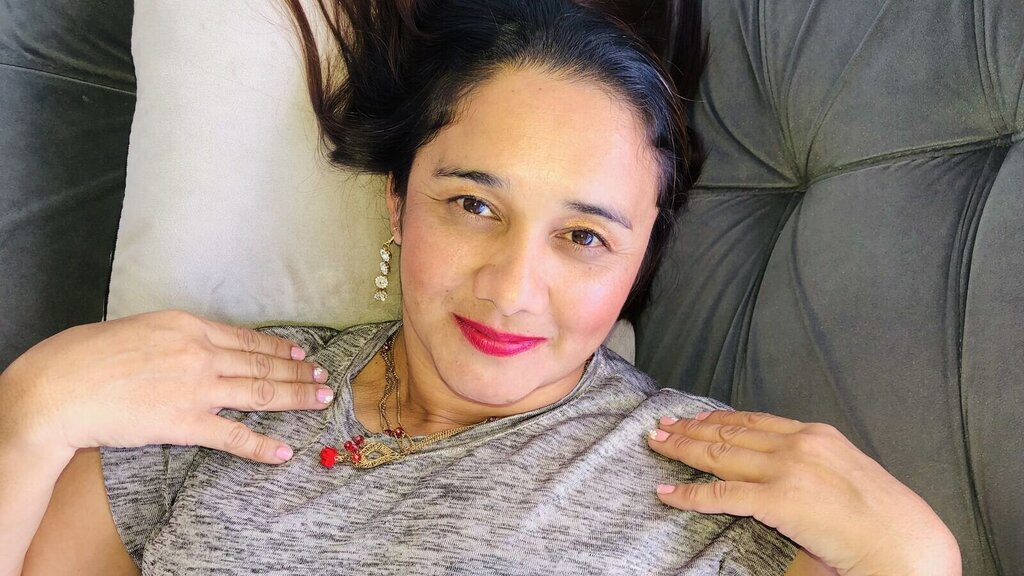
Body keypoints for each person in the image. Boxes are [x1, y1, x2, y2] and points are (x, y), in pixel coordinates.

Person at [0, 0, 960, 574]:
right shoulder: (205, 391)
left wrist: (915, 562)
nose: (511, 288)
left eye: (583, 237)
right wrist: (27, 415)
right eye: (472, 205)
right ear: (397, 201)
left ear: (640, 258)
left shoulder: (717, 486)